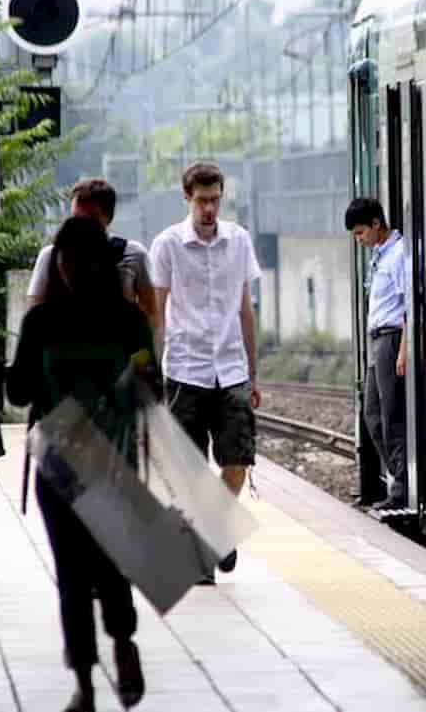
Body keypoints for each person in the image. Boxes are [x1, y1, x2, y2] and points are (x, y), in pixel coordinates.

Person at [7, 217, 154, 712]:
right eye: (66, 259)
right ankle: (105, 665)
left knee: (91, 571)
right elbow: (147, 382)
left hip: (81, 464)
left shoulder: (46, 323)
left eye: (72, 259)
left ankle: (104, 666)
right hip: (92, 462)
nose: (70, 268)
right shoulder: (123, 321)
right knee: (93, 570)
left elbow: (18, 391)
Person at [149, 161, 261, 585]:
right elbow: (156, 313)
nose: (210, 208)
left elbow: (245, 308)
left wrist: (254, 372)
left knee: (238, 460)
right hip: (185, 369)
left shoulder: (239, 241)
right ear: (187, 198)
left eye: (215, 199)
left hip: (230, 368)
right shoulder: (167, 245)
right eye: (202, 201)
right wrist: (152, 376)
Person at [28, 177, 159, 330]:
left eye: (90, 219)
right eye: (76, 218)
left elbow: (150, 314)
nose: (82, 226)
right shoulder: (50, 256)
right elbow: (35, 315)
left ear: (108, 218)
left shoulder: (134, 254)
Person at [345, 198, 409, 510]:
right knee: (372, 415)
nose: (359, 240)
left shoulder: (398, 254)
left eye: (360, 233)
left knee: (390, 415)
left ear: (376, 224)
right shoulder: (378, 255)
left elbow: (409, 303)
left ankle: (401, 488)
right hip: (377, 341)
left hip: (392, 339)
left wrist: (404, 350)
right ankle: (397, 477)